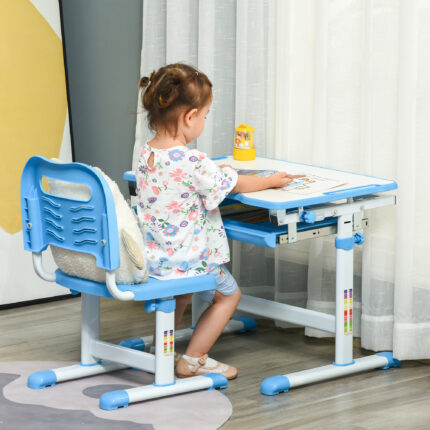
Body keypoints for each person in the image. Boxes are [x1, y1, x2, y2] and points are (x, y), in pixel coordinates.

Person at [136, 63, 299, 380]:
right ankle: (193, 360)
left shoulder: (147, 154)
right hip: (190, 259)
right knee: (229, 296)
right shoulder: (193, 160)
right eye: (206, 116)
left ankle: (160, 349)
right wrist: (270, 181)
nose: (204, 122)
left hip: (157, 258)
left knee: (179, 294)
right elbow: (234, 185)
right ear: (190, 117)